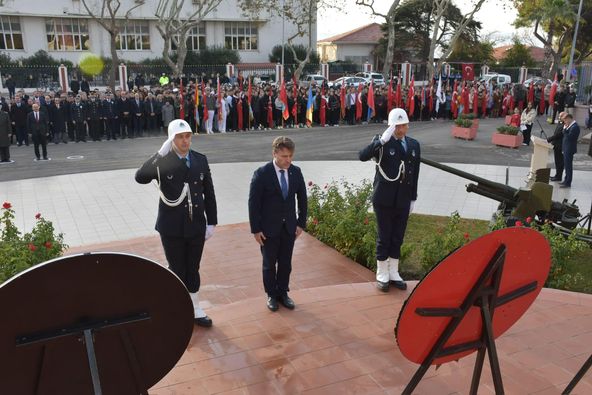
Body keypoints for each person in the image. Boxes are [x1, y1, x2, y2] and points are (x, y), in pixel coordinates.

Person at [135, 119, 217, 327]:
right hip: (171, 226)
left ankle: (195, 308)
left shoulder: (200, 159)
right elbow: (140, 177)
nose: (184, 141)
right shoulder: (163, 161)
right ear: (171, 139)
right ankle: (176, 306)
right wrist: (159, 154)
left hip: (196, 224)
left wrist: (212, 222)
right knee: (177, 268)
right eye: (180, 137)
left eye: (187, 136)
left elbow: (209, 193)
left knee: (193, 267)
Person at [359, 108, 420, 292]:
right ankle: (382, 273)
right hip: (384, 198)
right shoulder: (382, 142)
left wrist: (413, 198)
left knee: (397, 236)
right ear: (391, 126)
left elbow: (415, 173)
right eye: (398, 126)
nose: (402, 129)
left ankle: (394, 272)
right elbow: (362, 156)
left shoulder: (414, 144)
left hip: (403, 198)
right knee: (384, 236)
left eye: (404, 125)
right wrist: (381, 140)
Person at [248, 136, 307, 312]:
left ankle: (283, 293)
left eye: (290, 156)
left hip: (289, 227)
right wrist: (256, 230)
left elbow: (302, 199)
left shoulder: (296, 172)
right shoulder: (262, 173)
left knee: (285, 263)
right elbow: (253, 203)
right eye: (283, 156)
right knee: (269, 263)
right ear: (274, 153)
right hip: (268, 229)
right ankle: (271, 295)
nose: (287, 160)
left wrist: (300, 224)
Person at [560, 113, 580, 188]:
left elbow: (570, 137)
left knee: (568, 166)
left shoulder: (575, 127)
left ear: (569, 118)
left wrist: (565, 129)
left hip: (570, 149)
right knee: (566, 165)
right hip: (566, 148)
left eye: (565, 120)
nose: (564, 122)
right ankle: (566, 180)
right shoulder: (570, 126)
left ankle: (568, 183)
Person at [546, 112, 566, 182]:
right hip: (556, 145)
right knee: (557, 162)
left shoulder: (565, 125)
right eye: (559, 116)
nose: (559, 117)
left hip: (560, 146)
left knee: (560, 162)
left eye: (561, 116)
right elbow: (556, 134)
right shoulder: (560, 123)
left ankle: (559, 176)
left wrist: (549, 139)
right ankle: (557, 175)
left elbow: (558, 135)